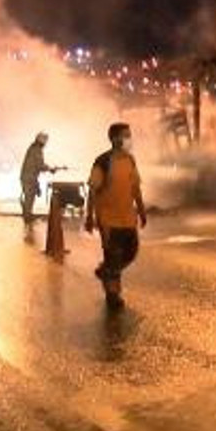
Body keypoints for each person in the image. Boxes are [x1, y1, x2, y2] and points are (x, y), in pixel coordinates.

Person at [85, 123, 147, 310]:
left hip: (128, 218)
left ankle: (106, 272)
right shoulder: (103, 161)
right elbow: (93, 191)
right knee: (113, 256)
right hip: (108, 220)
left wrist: (142, 210)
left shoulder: (130, 160)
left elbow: (135, 187)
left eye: (130, 135)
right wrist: (89, 217)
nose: (129, 139)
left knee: (130, 252)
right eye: (126, 135)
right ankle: (113, 295)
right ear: (115, 139)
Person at [19, 132, 60, 224]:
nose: (45, 144)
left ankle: (28, 216)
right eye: (45, 141)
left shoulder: (33, 148)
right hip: (29, 178)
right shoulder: (36, 150)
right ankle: (27, 217)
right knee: (29, 198)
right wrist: (51, 169)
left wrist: (50, 169)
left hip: (28, 177)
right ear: (42, 141)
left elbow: (38, 165)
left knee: (29, 198)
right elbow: (40, 165)